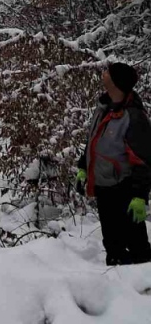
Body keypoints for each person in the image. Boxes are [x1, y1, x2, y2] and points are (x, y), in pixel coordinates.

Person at [76, 62, 151, 265]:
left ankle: (143, 286)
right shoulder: (104, 107)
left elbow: (143, 160)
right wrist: (83, 168)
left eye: (108, 72)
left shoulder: (133, 117)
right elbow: (94, 142)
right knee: (113, 244)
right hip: (104, 188)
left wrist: (139, 196)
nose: (104, 72)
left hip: (124, 189)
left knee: (137, 248)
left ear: (117, 82)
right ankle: (116, 284)